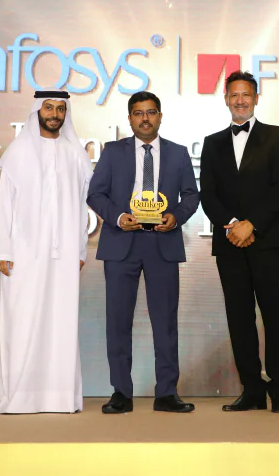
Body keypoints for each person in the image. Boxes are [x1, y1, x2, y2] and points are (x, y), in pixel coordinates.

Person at [87, 91, 200, 413]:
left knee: (165, 322)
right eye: (138, 113)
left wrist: (176, 216)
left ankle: (167, 393)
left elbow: (191, 195)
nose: (145, 119)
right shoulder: (113, 152)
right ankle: (121, 393)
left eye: (151, 112)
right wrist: (118, 217)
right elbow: (95, 194)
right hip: (121, 242)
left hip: (162, 243)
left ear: (160, 116)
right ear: (129, 119)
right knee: (118, 321)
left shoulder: (178, 153)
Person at [199, 70, 279, 413]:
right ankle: (252, 389)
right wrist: (233, 225)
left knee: (274, 316)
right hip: (229, 242)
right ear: (226, 99)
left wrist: (251, 225)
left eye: (246, 94)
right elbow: (208, 194)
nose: (240, 100)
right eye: (234, 95)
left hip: (267, 240)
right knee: (239, 319)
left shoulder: (277, 136)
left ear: (256, 98)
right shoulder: (212, 143)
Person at [0, 91, 91, 414]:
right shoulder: (18, 151)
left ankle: (58, 397)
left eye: (60, 109)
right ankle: (19, 396)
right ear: (37, 110)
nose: (54, 114)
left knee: (60, 321)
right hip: (22, 253)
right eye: (48, 107)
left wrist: (80, 249)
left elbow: (82, 208)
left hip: (64, 255)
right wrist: (3, 249)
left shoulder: (75, 154)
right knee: (22, 320)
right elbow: (5, 205)